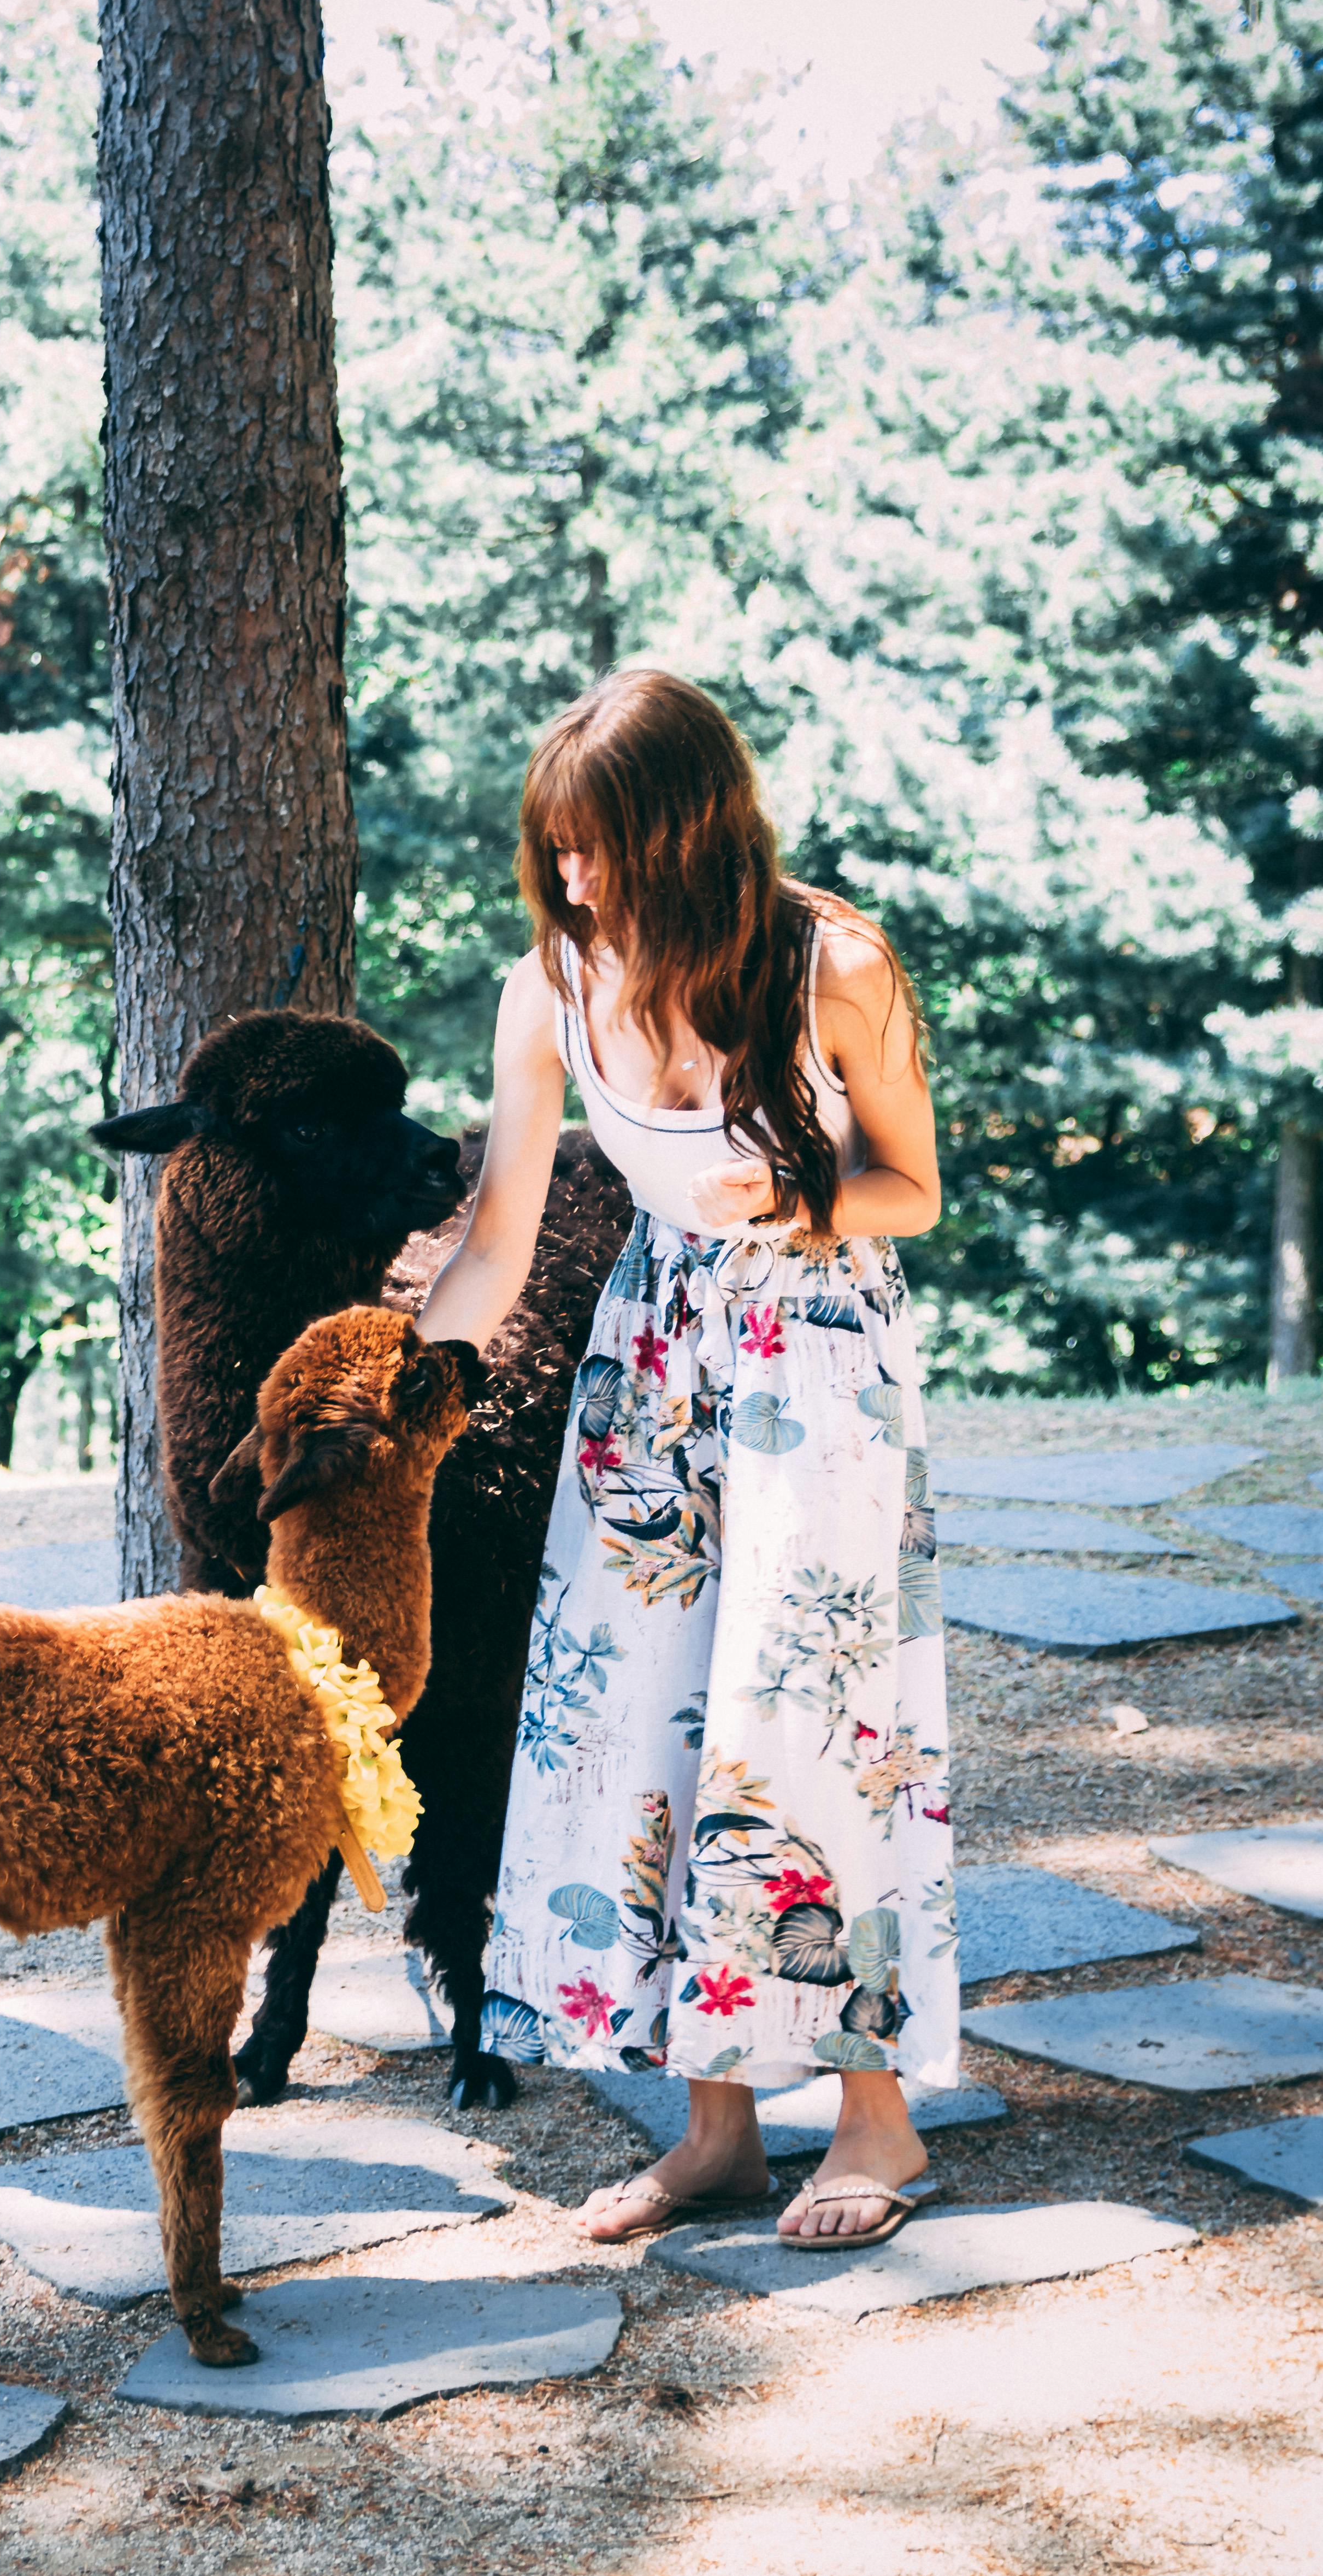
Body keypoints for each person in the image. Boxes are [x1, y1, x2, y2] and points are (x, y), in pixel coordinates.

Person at [417, 669, 955, 2249]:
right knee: (648, 1728)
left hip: (816, 1364)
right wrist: (417, 1373)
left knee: (811, 1726)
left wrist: (786, 1211)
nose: (574, 883)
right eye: (555, 851)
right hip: (649, 1366)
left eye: (601, 851)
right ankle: (715, 2128)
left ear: (691, 832)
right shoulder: (551, 988)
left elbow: (914, 1187)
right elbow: (500, 1236)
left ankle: (878, 2121)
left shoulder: (833, 962)